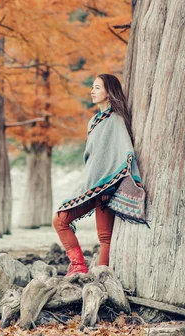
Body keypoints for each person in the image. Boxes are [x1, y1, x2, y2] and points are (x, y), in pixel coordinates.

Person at [52, 74, 148, 276]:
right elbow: (95, 158)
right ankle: (78, 266)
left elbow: (123, 152)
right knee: (60, 220)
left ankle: (101, 276)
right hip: (92, 184)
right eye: (92, 87)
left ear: (108, 92)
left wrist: (110, 187)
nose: (92, 91)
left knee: (105, 236)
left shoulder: (116, 120)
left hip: (108, 188)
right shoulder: (94, 121)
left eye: (97, 87)